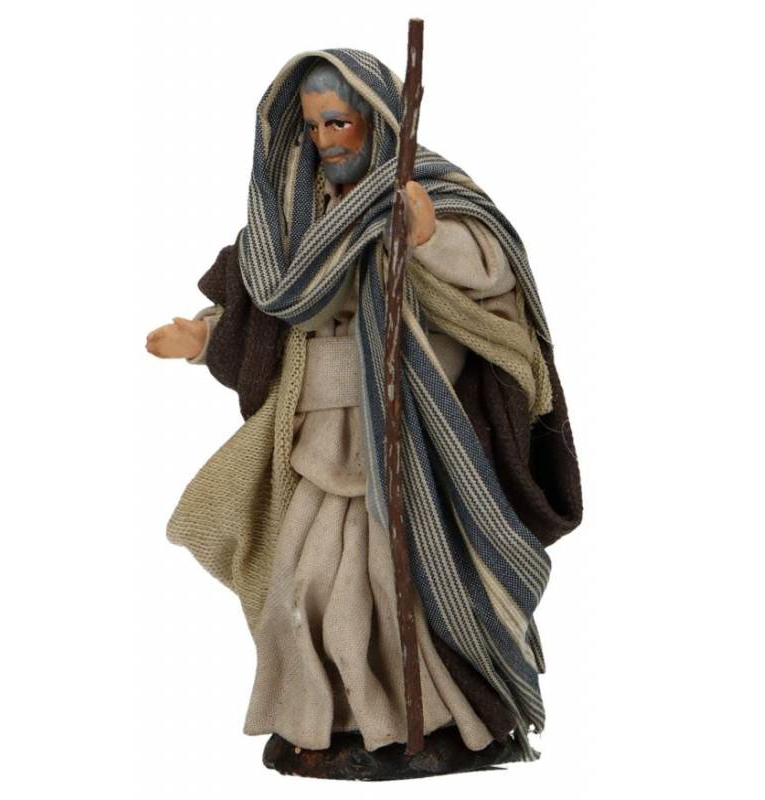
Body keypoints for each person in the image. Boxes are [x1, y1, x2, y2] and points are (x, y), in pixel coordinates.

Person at [146, 49, 582, 780]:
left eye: (339, 122)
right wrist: (204, 339)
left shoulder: (429, 192)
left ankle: (435, 722)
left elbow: (494, 271)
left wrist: (426, 237)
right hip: (319, 437)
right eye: (314, 125)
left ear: (378, 118)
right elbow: (261, 307)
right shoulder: (295, 219)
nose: (326, 139)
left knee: (401, 587)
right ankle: (325, 721)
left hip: (413, 440)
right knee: (301, 588)